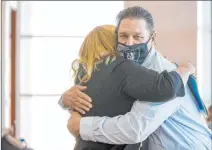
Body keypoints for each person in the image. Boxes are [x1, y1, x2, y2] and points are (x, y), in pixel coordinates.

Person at [62, 6, 212, 150]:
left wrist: (81, 125)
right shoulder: (127, 71)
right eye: (123, 36)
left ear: (152, 37)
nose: (129, 43)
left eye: (138, 37)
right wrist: (65, 99)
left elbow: (135, 129)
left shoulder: (162, 75)